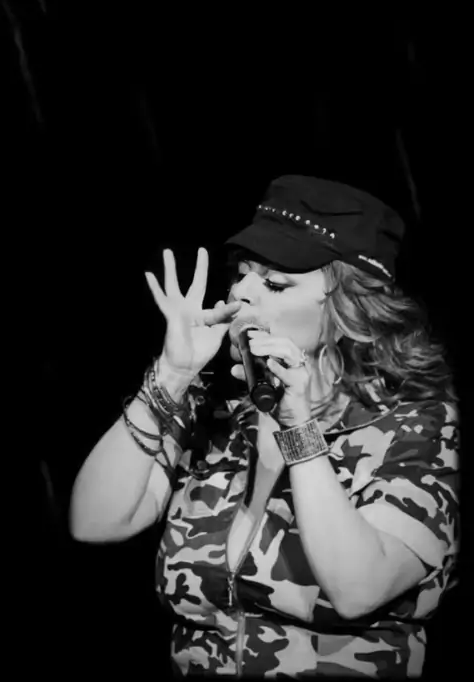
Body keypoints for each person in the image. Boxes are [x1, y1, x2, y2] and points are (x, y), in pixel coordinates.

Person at [70, 175, 459, 678]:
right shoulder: (214, 409)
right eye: (242, 275)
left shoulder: (410, 423)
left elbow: (358, 589)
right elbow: (94, 523)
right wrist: (171, 376)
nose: (241, 294)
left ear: (348, 309)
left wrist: (297, 427)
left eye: (275, 284)